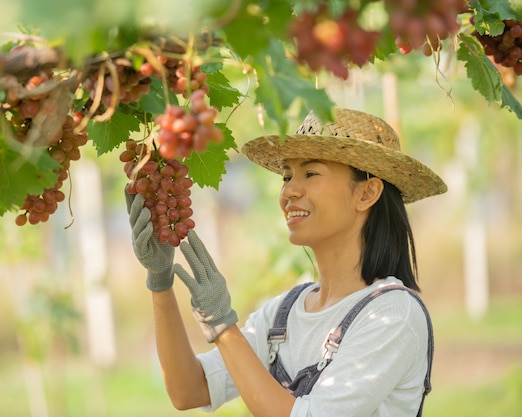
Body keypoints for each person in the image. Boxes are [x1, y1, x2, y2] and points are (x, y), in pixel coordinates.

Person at [125, 107, 447, 417]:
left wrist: (223, 326)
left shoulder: (392, 315)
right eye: (287, 176)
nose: (289, 191)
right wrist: (160, 282)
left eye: (310, 173)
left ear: (366, 193)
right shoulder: (284, 313)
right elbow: (189, 390)